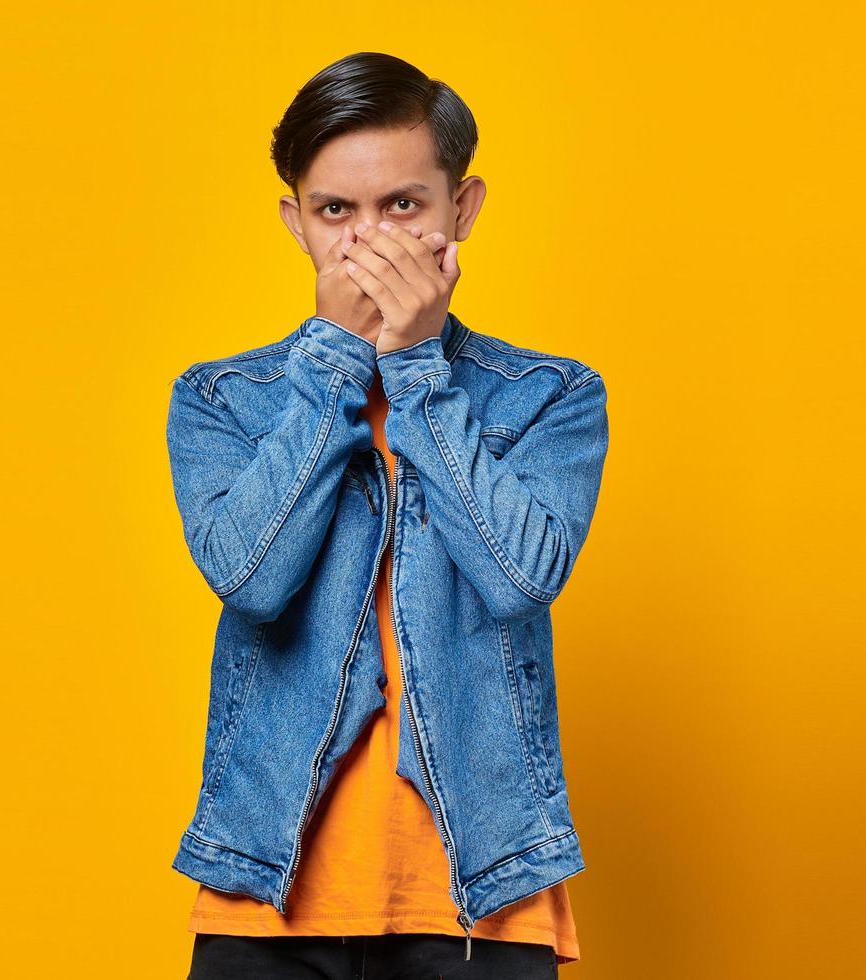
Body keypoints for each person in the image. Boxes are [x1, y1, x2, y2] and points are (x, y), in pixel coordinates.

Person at [165, 51, 609, 978]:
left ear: (463, 209)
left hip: (484, 895)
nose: (370, 243)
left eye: (403, 206)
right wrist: (334, 363)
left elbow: (520, 578)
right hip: (269, 892)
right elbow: (250, 580)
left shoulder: (550, 395)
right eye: (337, 212)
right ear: (297, 224)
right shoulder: (222, 400)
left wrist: (414, 371)